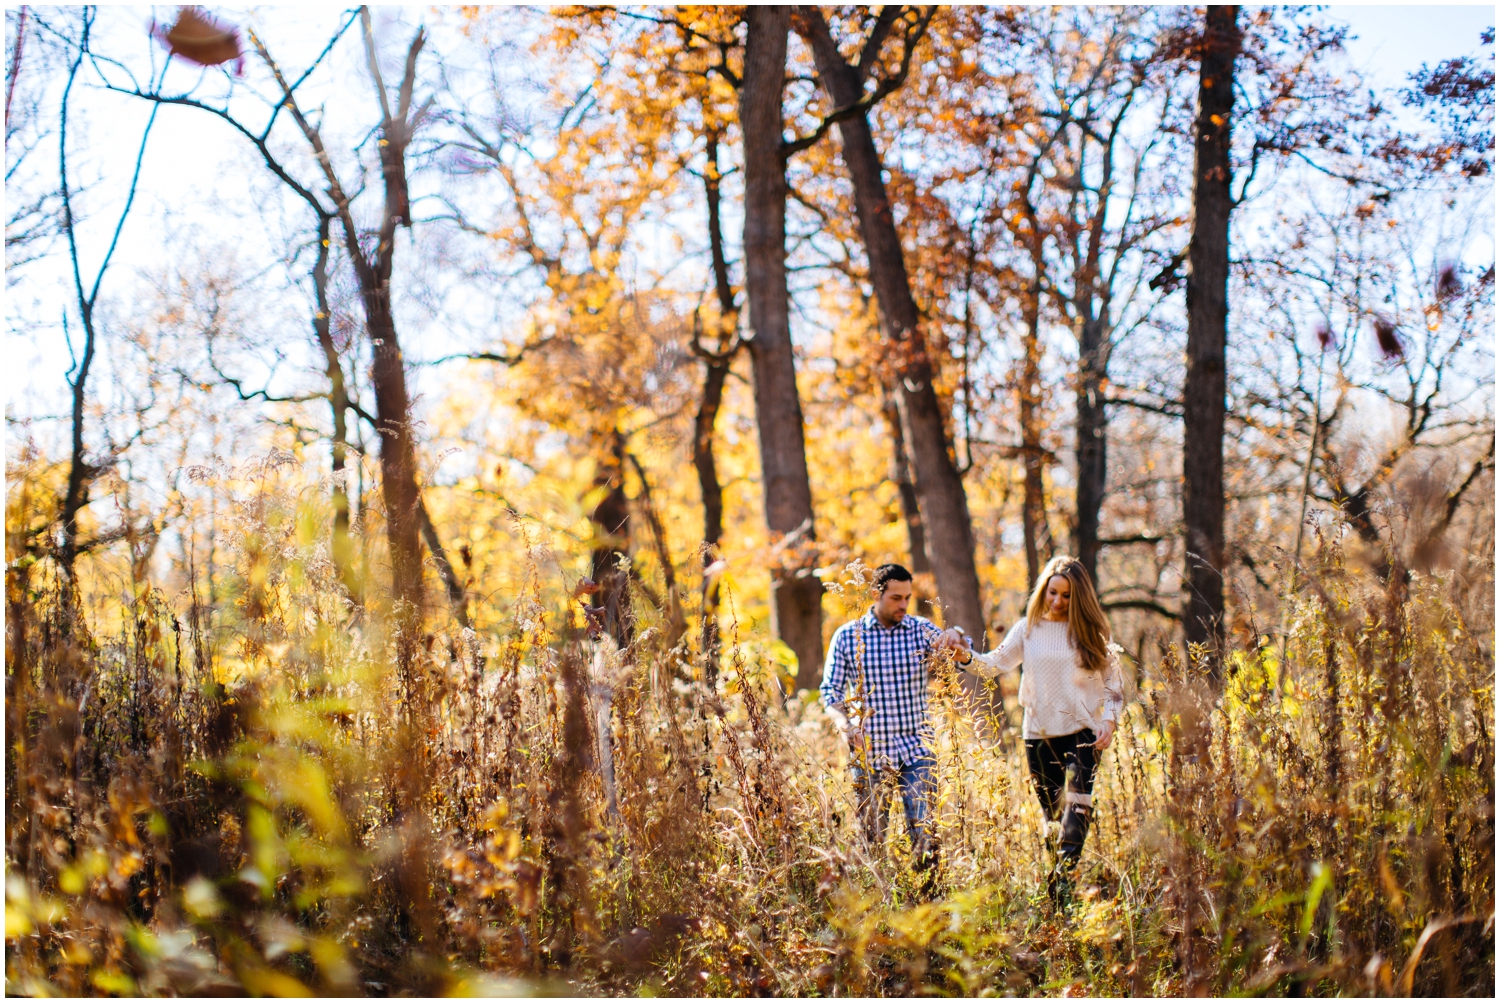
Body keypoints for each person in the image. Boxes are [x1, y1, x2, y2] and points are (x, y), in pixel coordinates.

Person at [950, 555, 1124, 902]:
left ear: (1080, 598)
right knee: (1053, 818)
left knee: (1077, 806)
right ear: (1044, 590)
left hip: (1082, 733)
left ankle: (1060, 884)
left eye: (1067, 596)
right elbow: (993, 664)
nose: (1058, 601)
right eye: (1052, 592)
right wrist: (966, 657)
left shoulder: (1090, 633)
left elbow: (1114, 685)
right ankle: (1059, 895)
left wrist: (1109, 719)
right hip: (1039, 735)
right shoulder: (1027, 630)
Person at [819, 563, 966, 892]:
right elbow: (829, 692)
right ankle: (876, 909)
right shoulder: (848, 636)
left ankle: (930, 909)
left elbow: (957, 646)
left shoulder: (917, 629)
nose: (903, 605)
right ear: (876, 595)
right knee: (871, 838)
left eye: (908, 598)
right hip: (869, 751)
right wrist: (845, 724)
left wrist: (955, 631)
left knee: (926, 834)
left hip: (916, 749)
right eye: (896, 598)